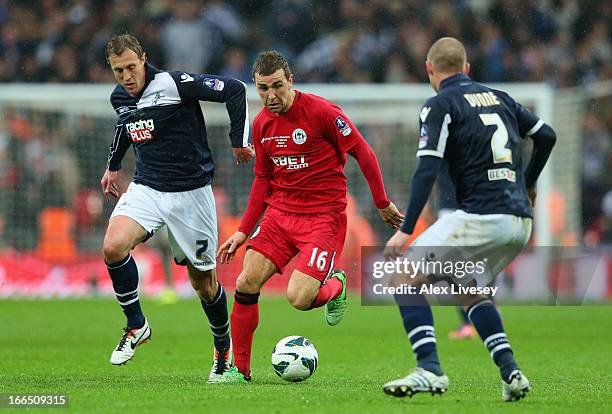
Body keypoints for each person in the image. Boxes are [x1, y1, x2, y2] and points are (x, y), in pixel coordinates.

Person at [214, 50, 404, 383]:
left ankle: (336, 286)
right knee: (245, 282)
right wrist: (244, 231)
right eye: (262, 89)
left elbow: (363, 150)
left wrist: (382, 201)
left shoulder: (322, 112)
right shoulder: (260, 124)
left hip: (323, 218)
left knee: (299, 299)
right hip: (279, 214)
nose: (270, 96)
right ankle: (240, 371)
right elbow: (262, 179)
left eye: (276, 86)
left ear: (291, 81)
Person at [382, 37, 556, 401]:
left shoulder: (440, 104)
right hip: (519, 222)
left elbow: (426, 169)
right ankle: (511, 374)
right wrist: (528, 184)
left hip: (480, 217)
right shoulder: (501, 98)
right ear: (467, 69)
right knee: (468, 289)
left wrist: (406, 229)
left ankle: (429, 369)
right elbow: (546, 136)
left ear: (430, 69)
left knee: (400, 278)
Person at [100, 34, 254, 383]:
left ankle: (222, 349)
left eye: (131, 67)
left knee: (204, 284)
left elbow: (233, 89)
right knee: (112, 246)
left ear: (144, 59)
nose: (126, 76)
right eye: (117, 70)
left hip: (191, 195)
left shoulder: (174, 83)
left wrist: (238, 141)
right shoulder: (119, 97)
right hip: (147, 187)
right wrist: (113, 165)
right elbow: (126, 124)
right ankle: (136, 325)